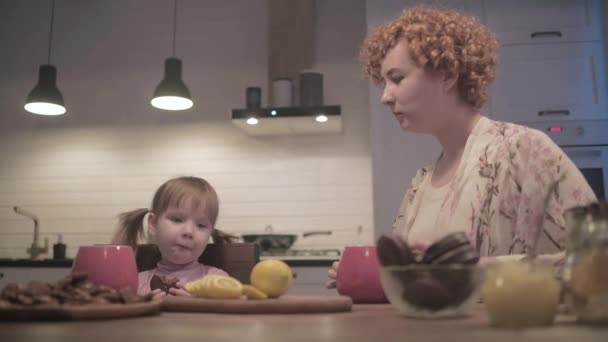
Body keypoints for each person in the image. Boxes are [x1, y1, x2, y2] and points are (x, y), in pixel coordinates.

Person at [327, 5, 596, 288]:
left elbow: (596, 261)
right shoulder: (420, 183)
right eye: (383, 82)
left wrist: (471, 271)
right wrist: (372, 275)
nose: (385, 96)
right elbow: (414, 279)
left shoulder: (524, 151)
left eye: (396, 79)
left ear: (447, 75)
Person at [111, 176, 235, 298]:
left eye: (201, 225)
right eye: (177, 219)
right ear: (153, 224)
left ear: (210, 234)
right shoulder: (136, 284)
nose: (188, 232)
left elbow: (234, 310)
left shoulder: (217, 280)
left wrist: (200, 305)